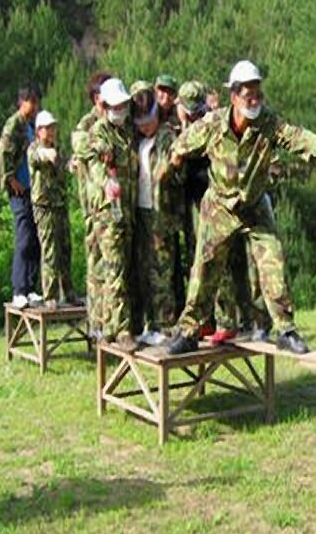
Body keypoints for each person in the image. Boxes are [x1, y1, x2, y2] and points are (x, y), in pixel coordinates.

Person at [163, 60, 316, 355]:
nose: (254, 100)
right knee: (205, 269)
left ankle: (285, 330)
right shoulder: (213, 124)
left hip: (254, 205)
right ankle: (189, 331)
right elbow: (181, 145)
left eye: (258, 94)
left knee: (273, 261)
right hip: (219, 206)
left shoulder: (267, 123)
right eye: (248, 95)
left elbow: (293, 135)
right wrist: (174, 162)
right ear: (234, 97)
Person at [176, 80, 270, 344]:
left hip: (226, 204)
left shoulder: (215, 124)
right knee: (205, 266)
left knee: (240, 264)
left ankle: (241, 321)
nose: (192, 115)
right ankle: (214, 321)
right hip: (200, 204)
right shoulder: (183, 127)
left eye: (195, 110)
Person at [86, 77, 138, 352]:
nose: (121, 110)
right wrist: (107, 180)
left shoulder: (127, 130)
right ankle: (122, 329)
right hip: (108, 214)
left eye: (123, 105)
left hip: (127, 211)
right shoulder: (99, 132)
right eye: (115, 106)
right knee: (114, 270)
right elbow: (98, 167)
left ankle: (108, 326)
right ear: (104, 105)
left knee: (122, 269)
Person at [129, 81, 178, 345]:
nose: (145, 127)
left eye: (148, 122)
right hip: (142, 210)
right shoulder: (138, 139)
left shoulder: (167, 136)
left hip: (162, 212)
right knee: (144, 270)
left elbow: (172, 170)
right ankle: (150, 323)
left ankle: (165, 325)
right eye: (140, 123)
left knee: (162, 271)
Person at [70, 71, 112, 335]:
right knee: (96, 266)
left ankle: (112, 320)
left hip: (115, 204)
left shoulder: (119, 119)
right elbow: (81, 148)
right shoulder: (87, 124)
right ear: (97, 97)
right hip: (94, 205)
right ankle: (97, 324)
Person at [0, 83, 43, 309]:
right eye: (32, 101)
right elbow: (2, 151)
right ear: (22, 102)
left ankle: (31, 287)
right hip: (19, 190)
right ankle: (19, 289)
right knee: (23, 238)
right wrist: (9, 178)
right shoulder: (14, 123)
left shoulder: (30, 125)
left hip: (32, 189)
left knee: (34, 238)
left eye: (37, 102)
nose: (35, 106)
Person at [27, 110, 79, 309]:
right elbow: (36, 158)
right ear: (39, 130)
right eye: (47, 128)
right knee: (50, 251)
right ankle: (50, 295)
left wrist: (72, 164)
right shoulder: (33, 149)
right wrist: (47, 154)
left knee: (65, 249)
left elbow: (64, 163)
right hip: (44, 206)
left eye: (53, 127)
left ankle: (69, 292)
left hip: (60, 204)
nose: (51, 132)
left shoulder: (58, 148)